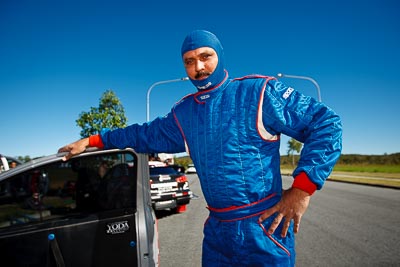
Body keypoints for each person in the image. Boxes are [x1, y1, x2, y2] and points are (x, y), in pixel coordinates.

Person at [58, 30, 342, 266]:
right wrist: (94, 140)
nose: (199, 68)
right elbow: (141, 135)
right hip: (218, 235)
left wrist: (302, 190)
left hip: (265, 229)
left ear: (219, 56)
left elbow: (326, 123)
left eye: (205, 57)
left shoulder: (258, 93)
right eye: (189, 61)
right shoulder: (184, 114)